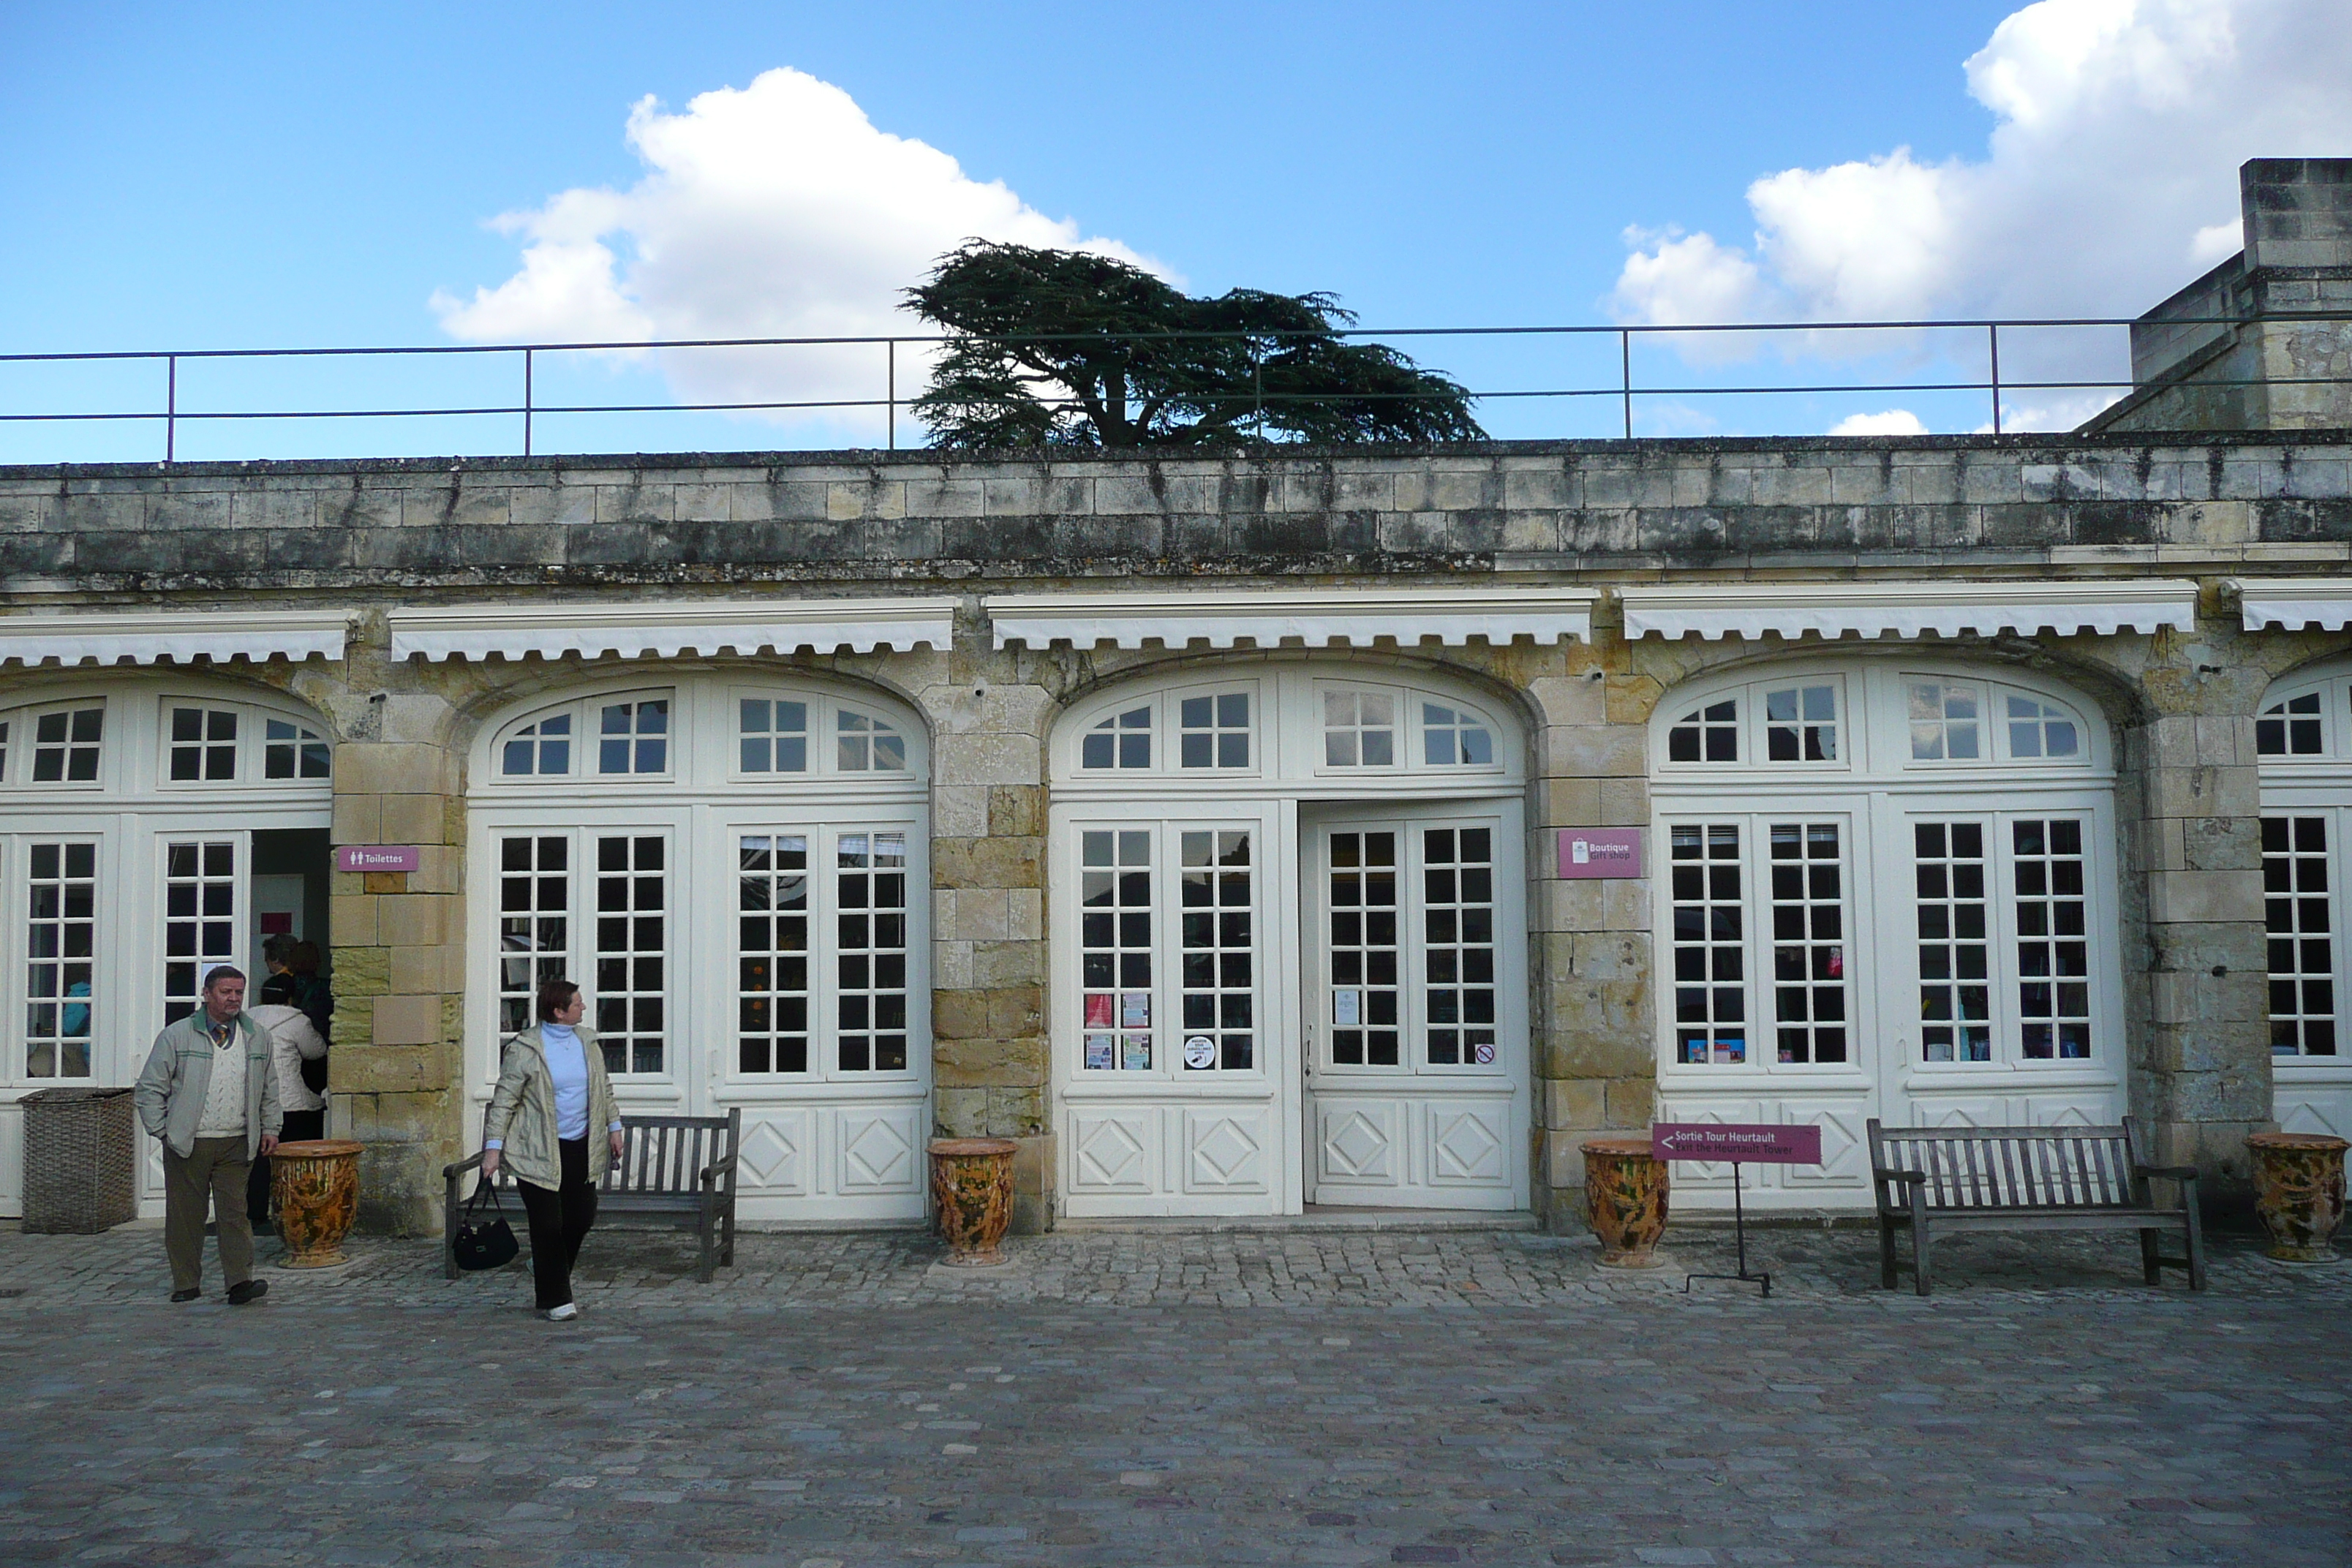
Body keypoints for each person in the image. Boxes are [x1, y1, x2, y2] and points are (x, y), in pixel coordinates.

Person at [132, 967, 282, 1305]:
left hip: (236, 1140)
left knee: (235, 1215)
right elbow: (149, 1088)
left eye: (239, 993)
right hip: (190, 1143)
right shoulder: (177, 1035)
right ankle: (186, 1283)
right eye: (226, 992)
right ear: (207, 994)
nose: (233, 999)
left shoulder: (257, 1036)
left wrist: (271, 1127)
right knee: (186, 1217)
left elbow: (270, 1088)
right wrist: (164, 1131)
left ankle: (240, 1282)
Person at [480, 978, 624, 1322]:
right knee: (546, 1225)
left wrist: (614, 1126)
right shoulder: (525, 1049)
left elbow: (603, 1088)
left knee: (581, 1216)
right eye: (577, 1004)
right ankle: (555, 1298)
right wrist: (493, 1149)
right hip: (537, 1149)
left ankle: (544, 1266)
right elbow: (504, 1101)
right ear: (559, 1011)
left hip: (581, 1145)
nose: (584, 1008)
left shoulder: (588, 1043)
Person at [243, 1002, 329, 1229]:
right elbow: (317, 1051)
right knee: (298, 1163)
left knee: (260, 1162)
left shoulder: (244, 1020)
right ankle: (300, 1213)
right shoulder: (296, 1021)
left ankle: (257, 1213)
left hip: (258, 1103)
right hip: (294, 1105)